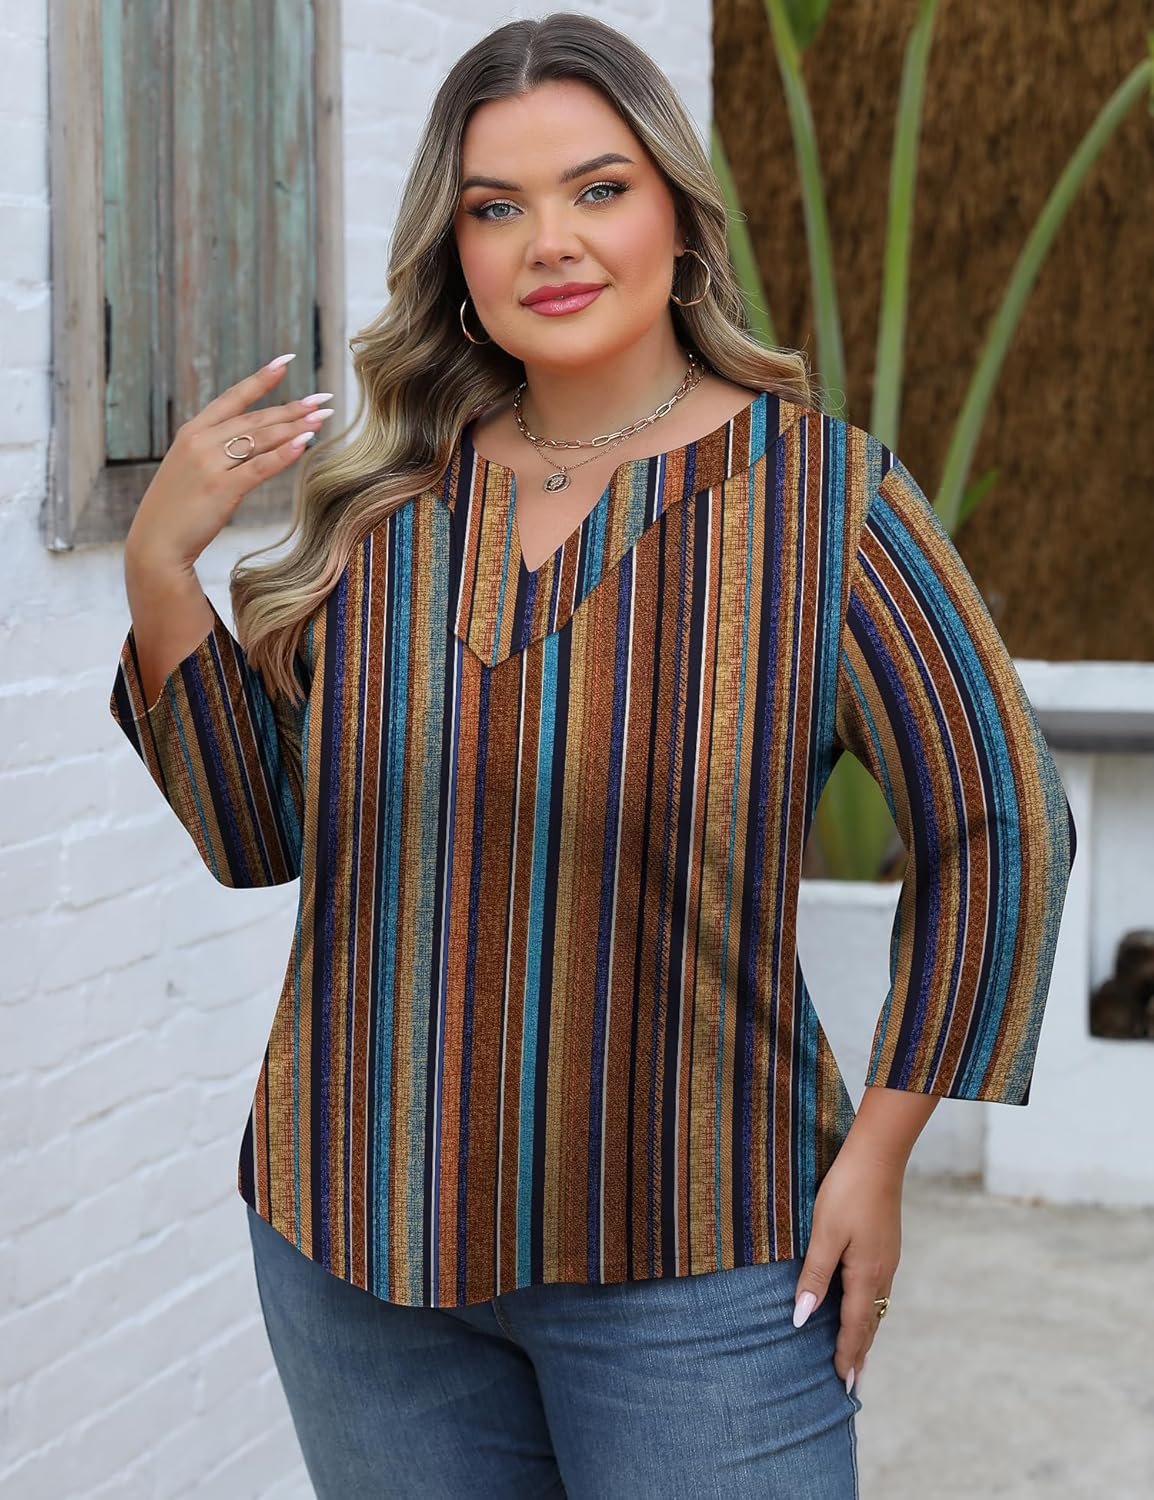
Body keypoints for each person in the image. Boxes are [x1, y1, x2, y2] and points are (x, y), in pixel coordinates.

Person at [108, 12, 1077, 1498]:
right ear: (454, 254)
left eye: (598, 189)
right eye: (495, 207)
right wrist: (160, 570)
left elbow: (1001, 825)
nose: (547, 242)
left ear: (679, 218)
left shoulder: (825, 506)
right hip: (353, 1246)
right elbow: (258, 839)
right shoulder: (387, 510)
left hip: (699, 1264)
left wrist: (880, 1154)